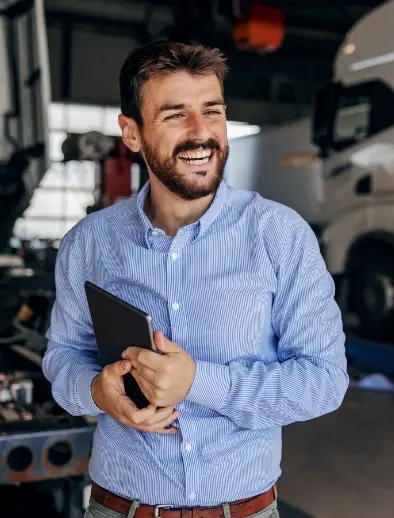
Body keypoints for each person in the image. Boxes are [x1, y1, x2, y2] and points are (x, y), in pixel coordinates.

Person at [42, 40, 349, 518]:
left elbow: (324, 381)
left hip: (243, 509)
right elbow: (62, 357)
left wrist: (199, 382)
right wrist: (95, 391)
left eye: (213, 111)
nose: (201, 133)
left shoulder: (278, 235)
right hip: (120, 507)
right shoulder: (90, 243)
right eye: (174, 115)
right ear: (131, 133)